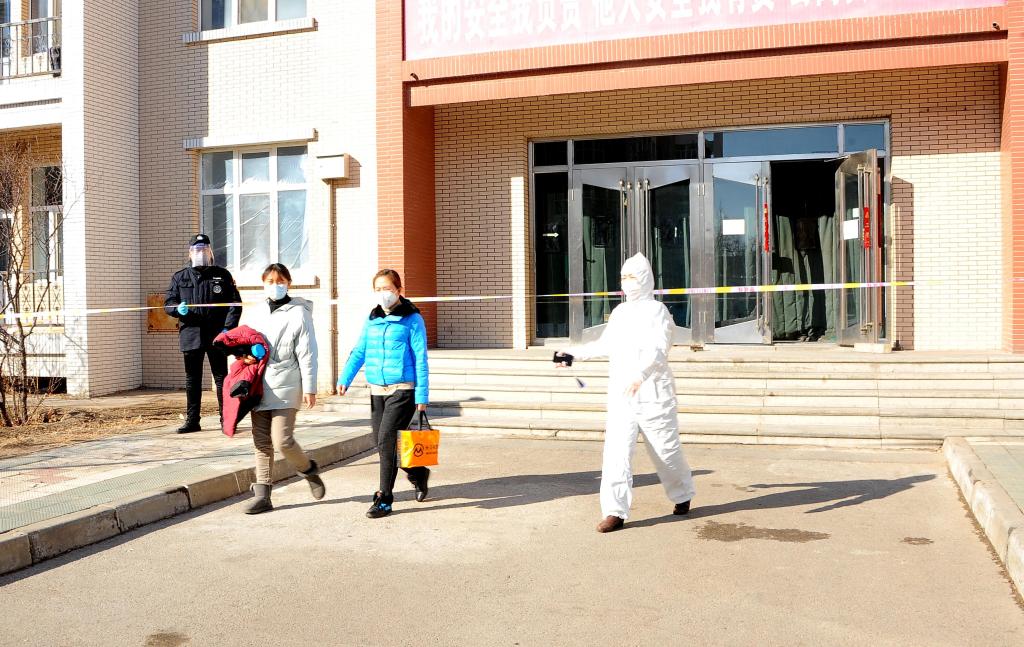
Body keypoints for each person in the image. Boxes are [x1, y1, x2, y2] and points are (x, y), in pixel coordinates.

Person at [555, 253, 696, 533]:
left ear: (644, 279)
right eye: (623, 277)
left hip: (654, 393)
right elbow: (603, 345)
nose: (626, 282)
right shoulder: (620, 313)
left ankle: (682, 494)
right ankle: (614, 511)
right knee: (616, 453)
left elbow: (659, 348)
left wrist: (641, 375)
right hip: (622, 394)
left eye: (632, 277)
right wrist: (571, 354)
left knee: (666, 452)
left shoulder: (657, 311)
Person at [336, 269, 430, 518]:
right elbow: (360, 350)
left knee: (387, 440)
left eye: (387, 288)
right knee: (382, 443)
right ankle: (418, 472)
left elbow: (420, 358)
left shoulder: (412, 319)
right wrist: (345, 378)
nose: (383, 293)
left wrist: (422, 397)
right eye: (378, 289)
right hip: (377, 389)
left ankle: (384, 498)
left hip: (403, 389)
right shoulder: (373, 319)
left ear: (399, 290)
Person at [241, 263, 325, 514]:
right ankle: (263, 495)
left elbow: (308, 352)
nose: (275, 286)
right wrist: (245, 356)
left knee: (283, 441)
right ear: (263, 283)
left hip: (288, 383)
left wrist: (310, 387)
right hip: (259, 383)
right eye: (270, 281)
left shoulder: (299, 312)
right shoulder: (255, 312)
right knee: (261, 442)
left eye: (280, 281)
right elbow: (243, 342)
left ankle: (308, 469)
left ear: (289, 283)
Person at [164, 234, 241, 433]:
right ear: (190, 253)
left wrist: (228, 328)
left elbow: (235, 304)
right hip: (191, 335)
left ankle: (226, 420)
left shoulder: (222, 275)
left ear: (210, 251)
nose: (201, 253)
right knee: (193, 379)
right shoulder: (180, 277)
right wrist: (176, 309)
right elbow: (168, 303)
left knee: (221, 378)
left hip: (217, 335)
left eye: (204, 249)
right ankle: (193, 421)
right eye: (197, 250)